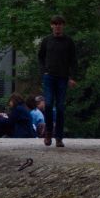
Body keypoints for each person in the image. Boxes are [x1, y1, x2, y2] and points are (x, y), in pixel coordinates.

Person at [36, 15, 79, 148]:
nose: (57, 26)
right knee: (48, 104)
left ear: (63, 26)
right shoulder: (47, 41)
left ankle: (59, 137)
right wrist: (44, 71)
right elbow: (41, 57)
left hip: (62, 78)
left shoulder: (68, 42)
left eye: (60, 24)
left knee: (60, 107)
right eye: (55, 24)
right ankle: (49, 132)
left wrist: (72, 77)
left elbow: (73, 60)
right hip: (49, 77)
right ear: (52, 26)